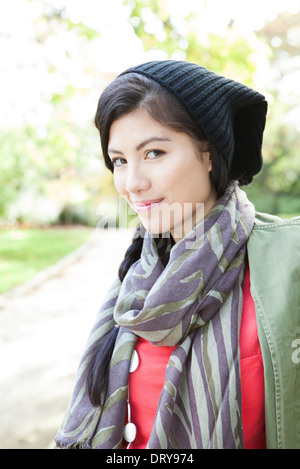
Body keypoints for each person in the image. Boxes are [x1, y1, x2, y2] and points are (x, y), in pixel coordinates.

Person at [55, 60, 300, 450]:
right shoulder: (135, 280)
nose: (132, 183)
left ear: (208, 153)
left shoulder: (288, 263)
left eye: (153, 153)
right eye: (119, 161)